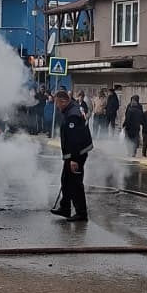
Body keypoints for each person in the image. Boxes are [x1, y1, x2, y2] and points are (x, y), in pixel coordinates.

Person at [52, 86, 92, 222]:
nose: (57, 107)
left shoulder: (72, 115)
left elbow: (74, 140)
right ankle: (65, 207)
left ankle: (81, 213)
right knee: (66, 179)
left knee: (75, 183)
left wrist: (74, 159)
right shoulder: (73, 107)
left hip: (77, 154)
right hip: (73, 153)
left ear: (63, 101)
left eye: (57, 104)